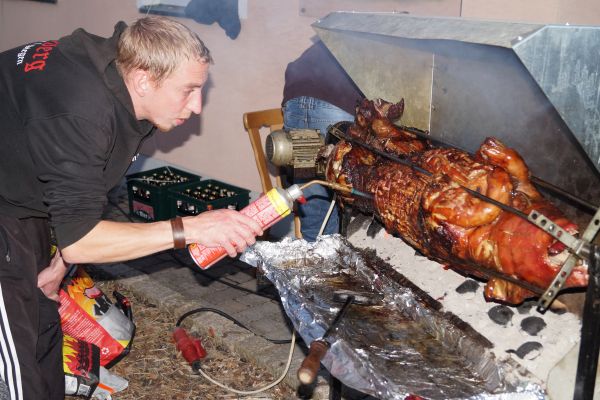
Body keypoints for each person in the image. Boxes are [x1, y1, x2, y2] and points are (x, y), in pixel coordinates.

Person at [0, 16, 262, 400]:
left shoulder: (124, 82)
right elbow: (82, 240)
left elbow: (83, 198)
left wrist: (59, 265)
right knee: (16, 351)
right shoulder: (82, 111)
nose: (197, 106)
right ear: (143, 80)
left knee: (42, 314)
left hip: (17, 185)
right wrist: (191, 228)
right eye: (188, 91)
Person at [282, 40, 364, 242]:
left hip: (296, 101)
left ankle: (315, 248)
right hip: (337, 103)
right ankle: (333, 252)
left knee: (312, 186)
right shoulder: (375, 43)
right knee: (352, 184)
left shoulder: (333, 38)